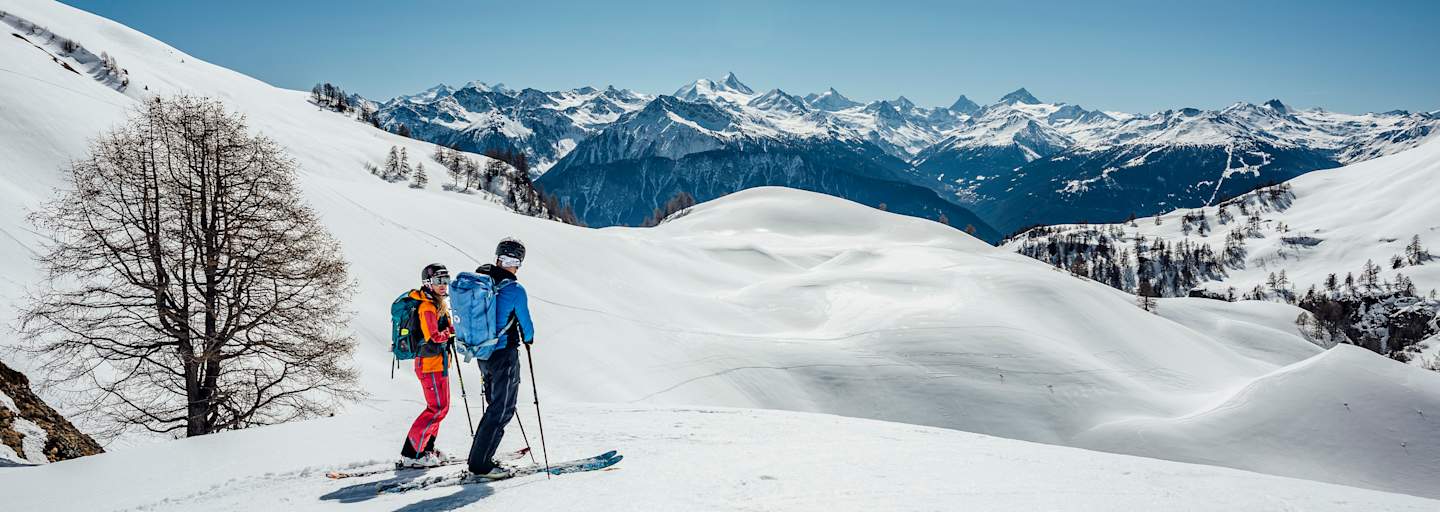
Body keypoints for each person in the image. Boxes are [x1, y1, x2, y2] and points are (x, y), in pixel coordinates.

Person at [467, 238, 535, 479]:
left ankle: (479, 458)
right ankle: (480, 465)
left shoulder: (478, 282)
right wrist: (528, 338)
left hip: (482, 354)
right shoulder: (514, 290)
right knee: (502, 409)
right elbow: (526, 325)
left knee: (495, 406)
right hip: (504, 354)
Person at [400, 263, 455, 467]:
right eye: (438, 281)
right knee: (436, 408)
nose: (443, 285)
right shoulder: (427, 307)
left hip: (438, 363)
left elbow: (446, 329)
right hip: (429, 364)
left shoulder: (438, 303)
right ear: (428, 283)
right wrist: (449, 333)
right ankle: (412, 453)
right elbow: (433, 336)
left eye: (446, 280)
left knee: (442, 407)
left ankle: (426, 448)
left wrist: (451, 329)